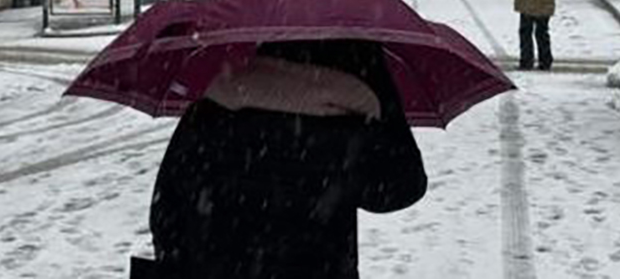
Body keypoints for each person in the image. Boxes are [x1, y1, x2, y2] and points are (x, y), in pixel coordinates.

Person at [148, 40, 428, 278]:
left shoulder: (218, 99)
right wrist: (379, 106)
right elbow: (401, 187)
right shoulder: (357, 100)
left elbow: (166, 210)